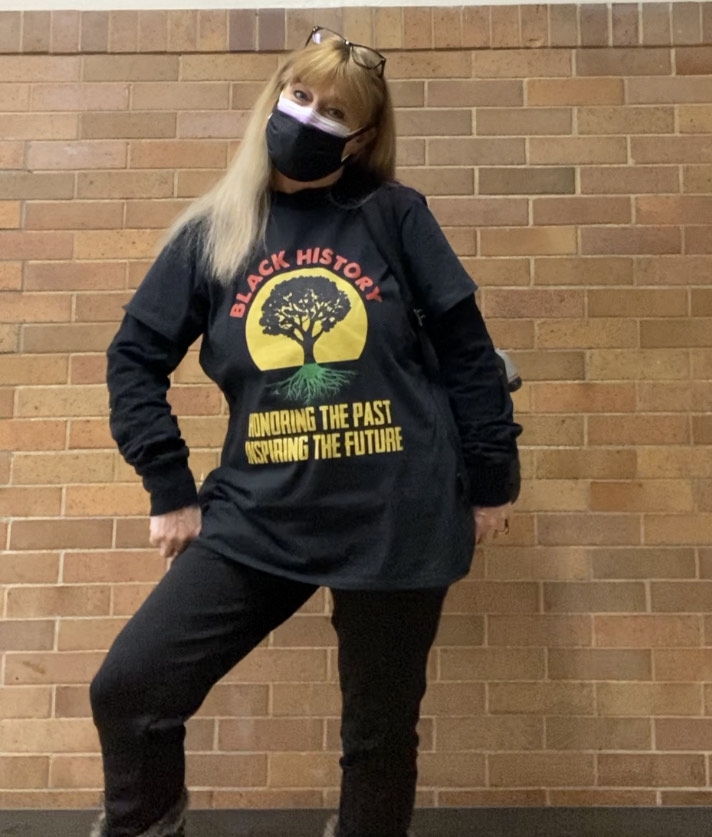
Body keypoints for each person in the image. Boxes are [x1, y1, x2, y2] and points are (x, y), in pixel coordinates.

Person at [90, 26, 521, 837]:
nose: (311, 117)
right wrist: (170, 488)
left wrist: (493, 477)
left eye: (336, 112)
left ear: (361, 137)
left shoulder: (393, 214)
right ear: (274, 99)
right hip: (262, 513)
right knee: (132, 688)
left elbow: (468, 354)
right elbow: (134, 357)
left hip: (398, 512)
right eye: (302, 98)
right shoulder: (213, 232)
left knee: (379, 735)